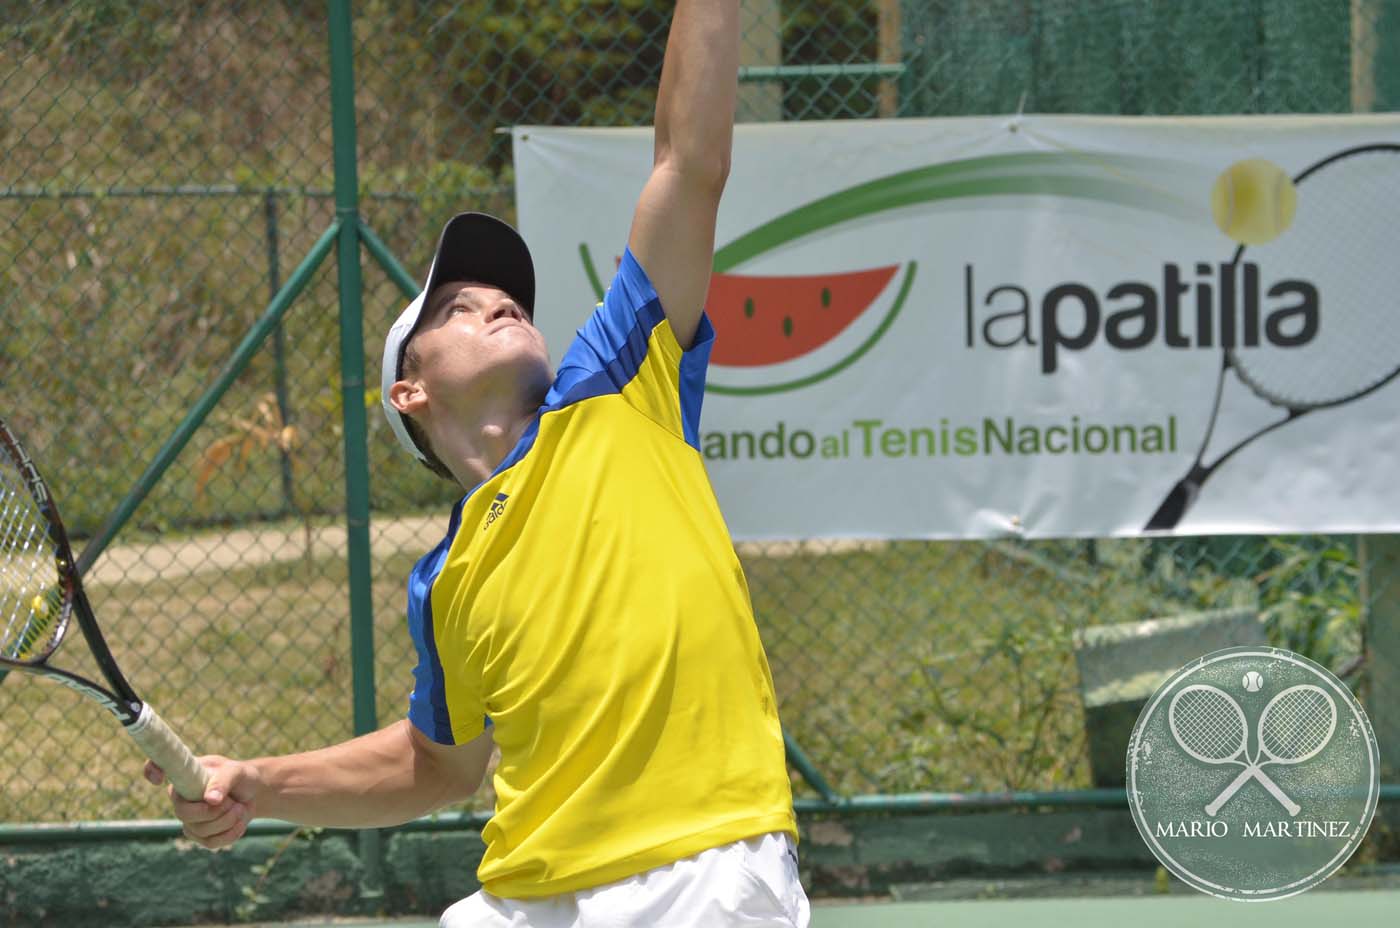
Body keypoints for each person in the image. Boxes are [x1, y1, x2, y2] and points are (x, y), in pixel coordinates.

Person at [144, 2, 808, 925]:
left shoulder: (620, 391)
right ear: (409, 392)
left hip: (701, 868)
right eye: (457, 306)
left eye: (506, 299)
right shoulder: (445, 583)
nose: (498, 303)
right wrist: (257, 780)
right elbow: (436, 762)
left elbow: (687, 164)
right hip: (527, 896)